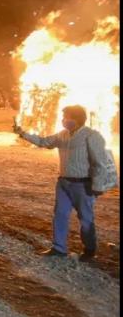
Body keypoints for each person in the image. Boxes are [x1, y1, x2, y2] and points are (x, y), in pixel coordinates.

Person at [14, 105, 108, 261]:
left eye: (66, 117)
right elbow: (44, 142)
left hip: (83, 185)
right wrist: (22, 133)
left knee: (85, 219)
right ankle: (59, 248)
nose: (63, 120)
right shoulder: (62, 135)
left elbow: (100, 163)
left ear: (76, 119)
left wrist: (97, 186)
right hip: (63, 183)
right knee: (60, 215)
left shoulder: (91, 136)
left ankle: (90, 249)